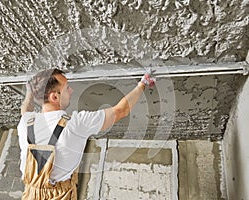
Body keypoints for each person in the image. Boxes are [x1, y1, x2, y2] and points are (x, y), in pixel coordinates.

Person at [17, 68, 155, 200]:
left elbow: (25, 109)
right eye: (67, 88)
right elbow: (121, 111)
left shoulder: (26, 122)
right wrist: (143, 84)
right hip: (58, 195)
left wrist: (29, 92)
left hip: (30, 193)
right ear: (54, 96)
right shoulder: (75, 124)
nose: (71, 91)